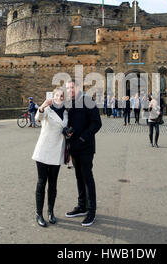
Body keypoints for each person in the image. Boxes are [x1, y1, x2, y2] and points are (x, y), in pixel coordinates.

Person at [65, 79, 102, 227]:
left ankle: (91, 210)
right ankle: (82, 206)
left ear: (79, 87)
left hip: (86, 147)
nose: (70, 90)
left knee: (87, 177)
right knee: (79, 176)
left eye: (72, 88)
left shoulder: (88, 100)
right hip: (74, 146)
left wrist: (83, 137)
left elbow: (97, 123)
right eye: (68, 88)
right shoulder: (69, 103)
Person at [31, 88, 68, 227]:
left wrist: (68, 132)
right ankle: (39, 213)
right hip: (44, 150)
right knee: (42, 182)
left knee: (53, 184)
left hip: (57, 151)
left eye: (61, 96)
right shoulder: (47, 109)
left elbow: (65, 127)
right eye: (57, 95)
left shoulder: (65, 112)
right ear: (53, 97)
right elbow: (37, 119)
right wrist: (41, 107)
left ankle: (51, 212)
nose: (59, 98)